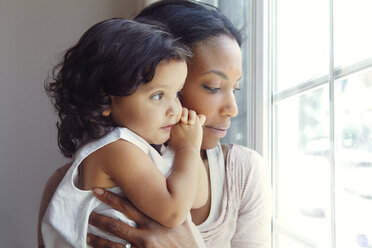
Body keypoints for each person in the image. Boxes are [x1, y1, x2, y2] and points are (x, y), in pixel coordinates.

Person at [38, 1, 272, 247]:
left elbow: (193, 196)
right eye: (213, 87)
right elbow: (177, 207)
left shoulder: (242, 174)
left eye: (235, 88)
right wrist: (187, 149)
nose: (233, 108)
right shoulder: (83, 170)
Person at [41, 17, 209, 247]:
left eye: (177, 94)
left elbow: (196, 198)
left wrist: (189, 145)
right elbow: (173, 213)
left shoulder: (141, 146)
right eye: (158, 96)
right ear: (105, 99)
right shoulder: (115, 148)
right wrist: (187, 148)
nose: (175, 109)